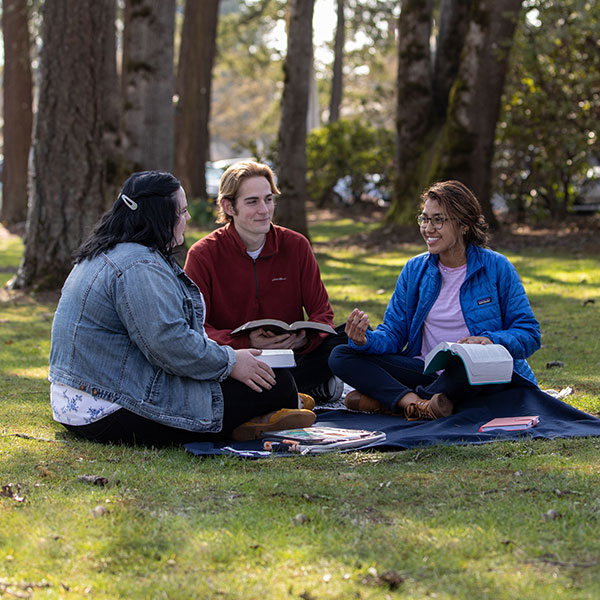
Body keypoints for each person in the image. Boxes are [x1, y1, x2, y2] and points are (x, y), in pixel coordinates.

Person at [48, 171, 316, 447]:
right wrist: (231, 362)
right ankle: (272, 410)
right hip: (110, 409)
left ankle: (270, 411)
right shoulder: (138, 265)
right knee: (277, 383)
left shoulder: (109, 252)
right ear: (160, 217)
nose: (187, 219)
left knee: (264, 378)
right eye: (182, 211)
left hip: (80, 401)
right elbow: (168, 344)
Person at [328, 180, 541, 420]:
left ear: (463, 225)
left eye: (438, 220)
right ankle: (419, 403)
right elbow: (394, 334)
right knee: (341, 355)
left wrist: (489, 340)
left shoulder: (497, 267)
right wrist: (365, 340)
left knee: (462, 367)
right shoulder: (415, 269)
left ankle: (394, 402)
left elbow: (530, 335)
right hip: (427, 370)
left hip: (478, 374)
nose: (428, 228)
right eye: (424, 219)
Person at [184, 160, 346, 403]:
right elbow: (196, 328)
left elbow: (322, 313)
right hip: (237, 361)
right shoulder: (202, 255)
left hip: (293, 355)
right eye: (252, 201)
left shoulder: (296, 245)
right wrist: (245, 341)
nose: (264, 210)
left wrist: (304, 337)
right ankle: (301, 389)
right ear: (229, 206)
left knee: (347, 340)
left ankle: (286, 391)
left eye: (268, 199)